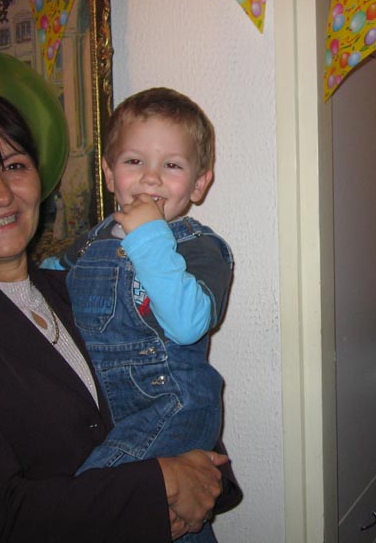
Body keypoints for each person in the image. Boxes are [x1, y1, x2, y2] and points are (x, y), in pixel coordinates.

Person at [0, 90, 229, 543]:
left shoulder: (73, 285)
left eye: (14, 166)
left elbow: (168, 380)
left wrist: (204, 479)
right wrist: (162, 484)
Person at [43, 88, 232, 542]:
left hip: (174, 405)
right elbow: (45, 287)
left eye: (172, 165)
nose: (150, 178)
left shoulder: (200, 248)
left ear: (199, 183)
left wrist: (148, 236)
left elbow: (187, 325)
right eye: (134, 161)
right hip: (107, 411)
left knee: (91, 498)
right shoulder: (88, 244)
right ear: (109, 174)